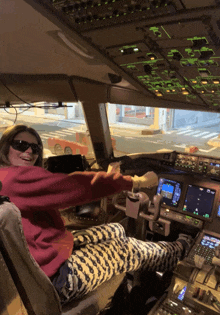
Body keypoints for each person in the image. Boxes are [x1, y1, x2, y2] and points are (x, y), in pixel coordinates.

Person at [0, 124, 192, 305]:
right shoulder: (14, 178)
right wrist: (137, 181)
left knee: (116, 229)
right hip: (52, 283)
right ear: (5, 146)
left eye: (34, 148)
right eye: (20, 145)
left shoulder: (5, 177)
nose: (29, 152)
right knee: (126, 249)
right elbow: (74, 186)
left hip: (38, 260)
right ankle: (181, 251)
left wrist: (109, 179)